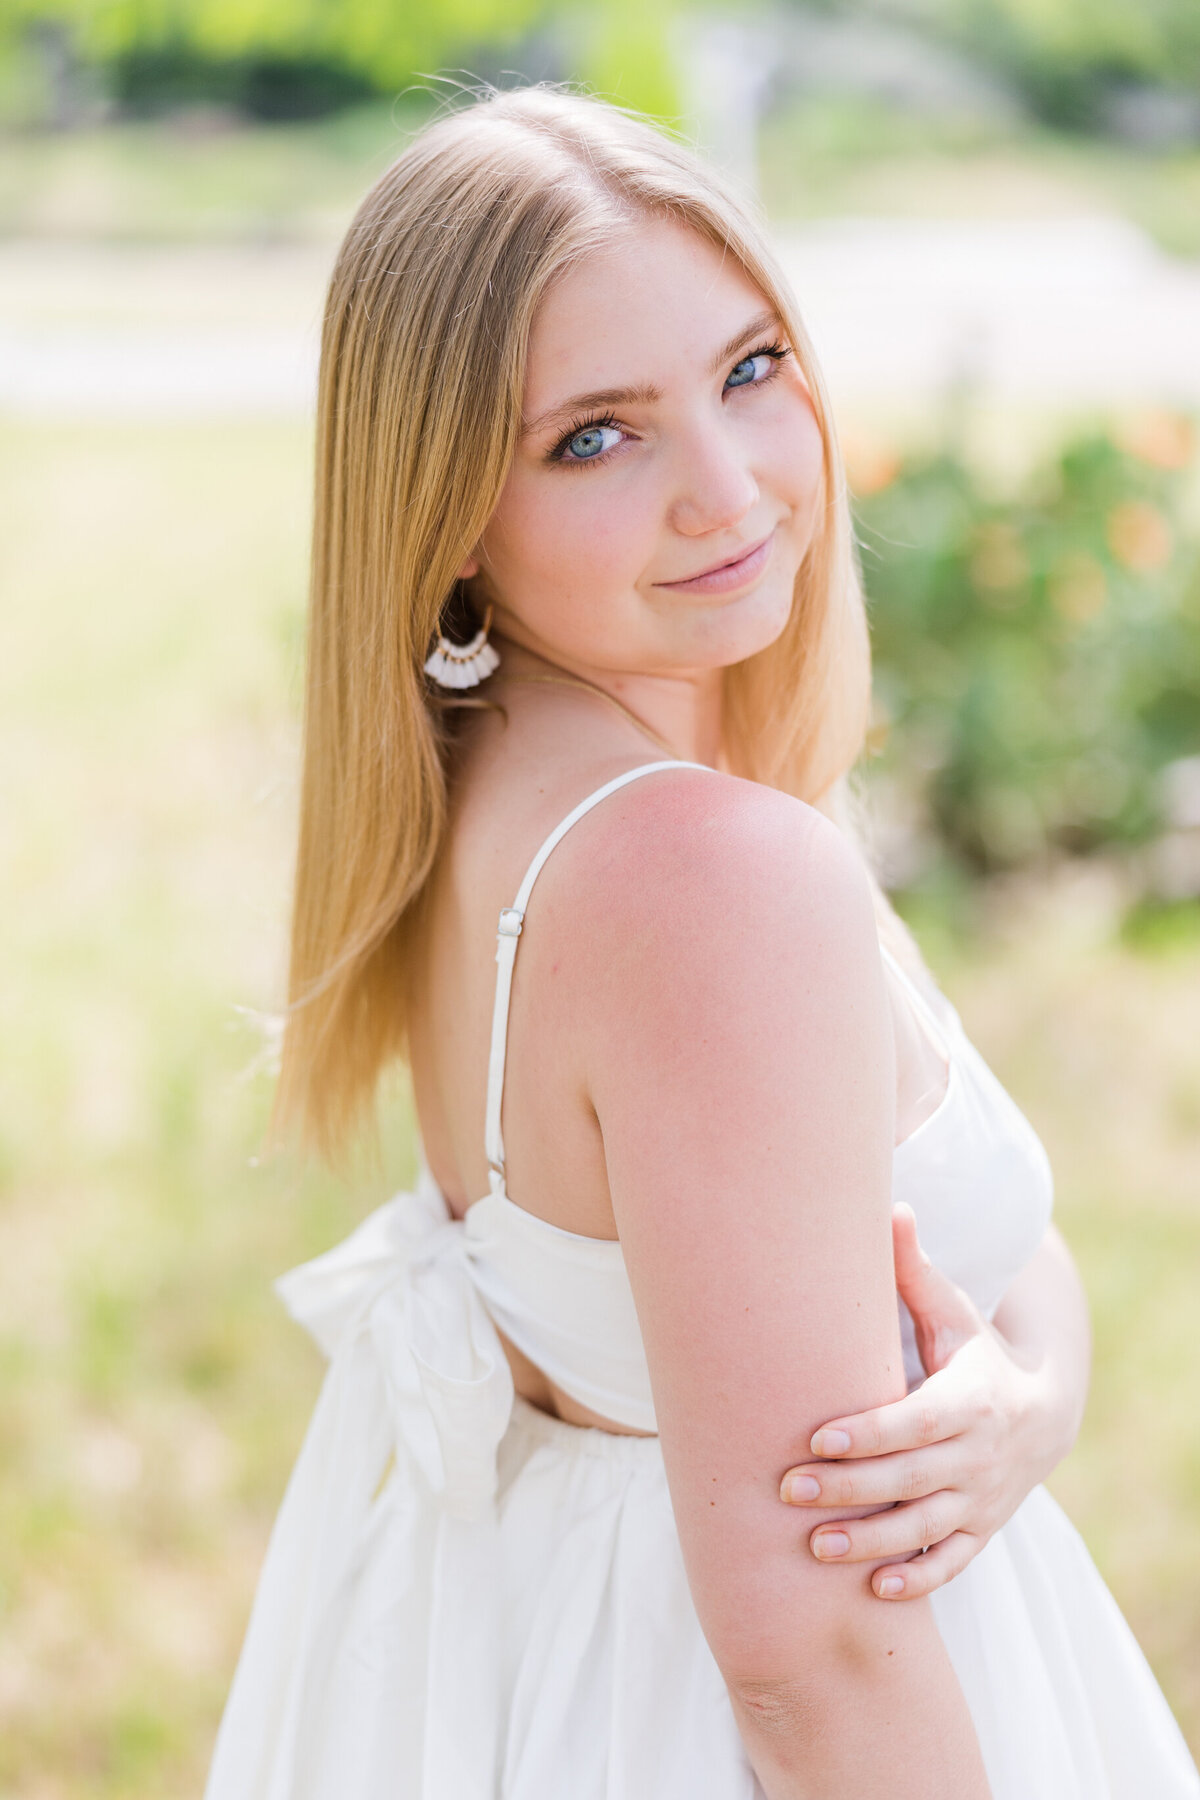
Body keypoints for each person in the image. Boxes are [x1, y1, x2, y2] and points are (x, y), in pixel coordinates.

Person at [204, 86, 1200, 1799]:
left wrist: (1034, 1385)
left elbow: (906, 1243)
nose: (728, 487)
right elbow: (810, 1654)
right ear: (445, 509)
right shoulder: (700, 876)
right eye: (597, 435)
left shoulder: (534, 789)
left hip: (575, 1687)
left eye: (749, 371)